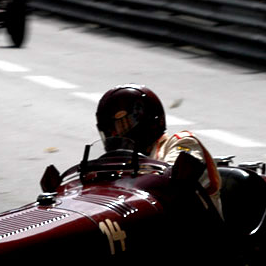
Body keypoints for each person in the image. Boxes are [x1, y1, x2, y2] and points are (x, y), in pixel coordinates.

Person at [95, 84, 222, 217]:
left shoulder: (181, 142)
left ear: (146, 119)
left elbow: (173, 178)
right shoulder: (121, 165)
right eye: (115, 127)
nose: (118, 133)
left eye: (125, 124)